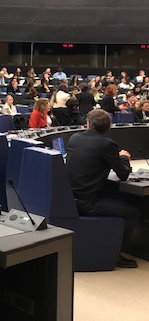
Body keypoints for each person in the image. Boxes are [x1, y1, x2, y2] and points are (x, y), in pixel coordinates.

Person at [65, 109, 139, 268]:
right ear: (107, 128)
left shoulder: (74, 138)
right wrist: (124, 158)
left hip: (70, 199)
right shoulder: (107, 144)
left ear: (88, 124)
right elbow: (123, 174)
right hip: (88, 204)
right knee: (133, 212)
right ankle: (116, 253)